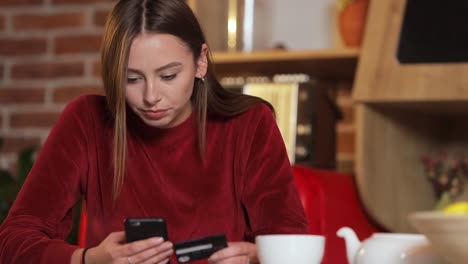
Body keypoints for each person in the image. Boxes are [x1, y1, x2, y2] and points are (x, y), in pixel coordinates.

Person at [0, 0, 308, 263]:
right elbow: (12, 240)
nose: (151, 96)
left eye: (168, 75)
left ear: (200, 62)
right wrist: (88, 258)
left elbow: (291, 243)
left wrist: (254, 256)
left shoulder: (249, 124)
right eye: (132, 79)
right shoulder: (87, 120)